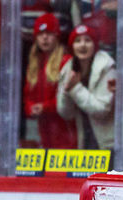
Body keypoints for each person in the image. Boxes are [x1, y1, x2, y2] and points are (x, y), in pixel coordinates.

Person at [56, 24, 116, 149]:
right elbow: (66, 113)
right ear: (72, 46)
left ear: (95, 45)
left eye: (87, 40)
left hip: (108, 143)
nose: (82, 45)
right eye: (77, 41)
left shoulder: (106, 67)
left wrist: (76, 89)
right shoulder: (68, 68)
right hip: (84, 141)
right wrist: (67, 91)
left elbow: (101, 110)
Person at [24, 13, 77, 149]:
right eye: (40, 34)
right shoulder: (35, 64)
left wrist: (45, 107)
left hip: (64, 128)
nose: (44, 38)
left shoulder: (66, 61)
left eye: (49, 33)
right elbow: (27, 96)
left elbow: (70, 99)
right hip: (42, 129)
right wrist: (30, 107)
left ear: (57, 36)